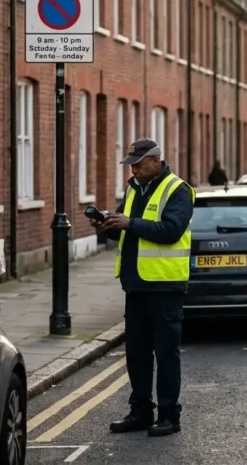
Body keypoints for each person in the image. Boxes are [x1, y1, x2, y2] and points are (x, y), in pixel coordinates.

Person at [91, 138, 194, 437]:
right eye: (131, 165)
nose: (133, 170)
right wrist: (107, 225)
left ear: (155, 161)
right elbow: (126, 229)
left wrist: (129, 223)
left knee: (166, 354)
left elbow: (171, 231)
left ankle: (169, 415)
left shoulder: (178, 190)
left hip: (165, 286)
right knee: (137, 354)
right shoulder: (134, 188)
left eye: (138, 164)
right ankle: (140, 411)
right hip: (135, 285)